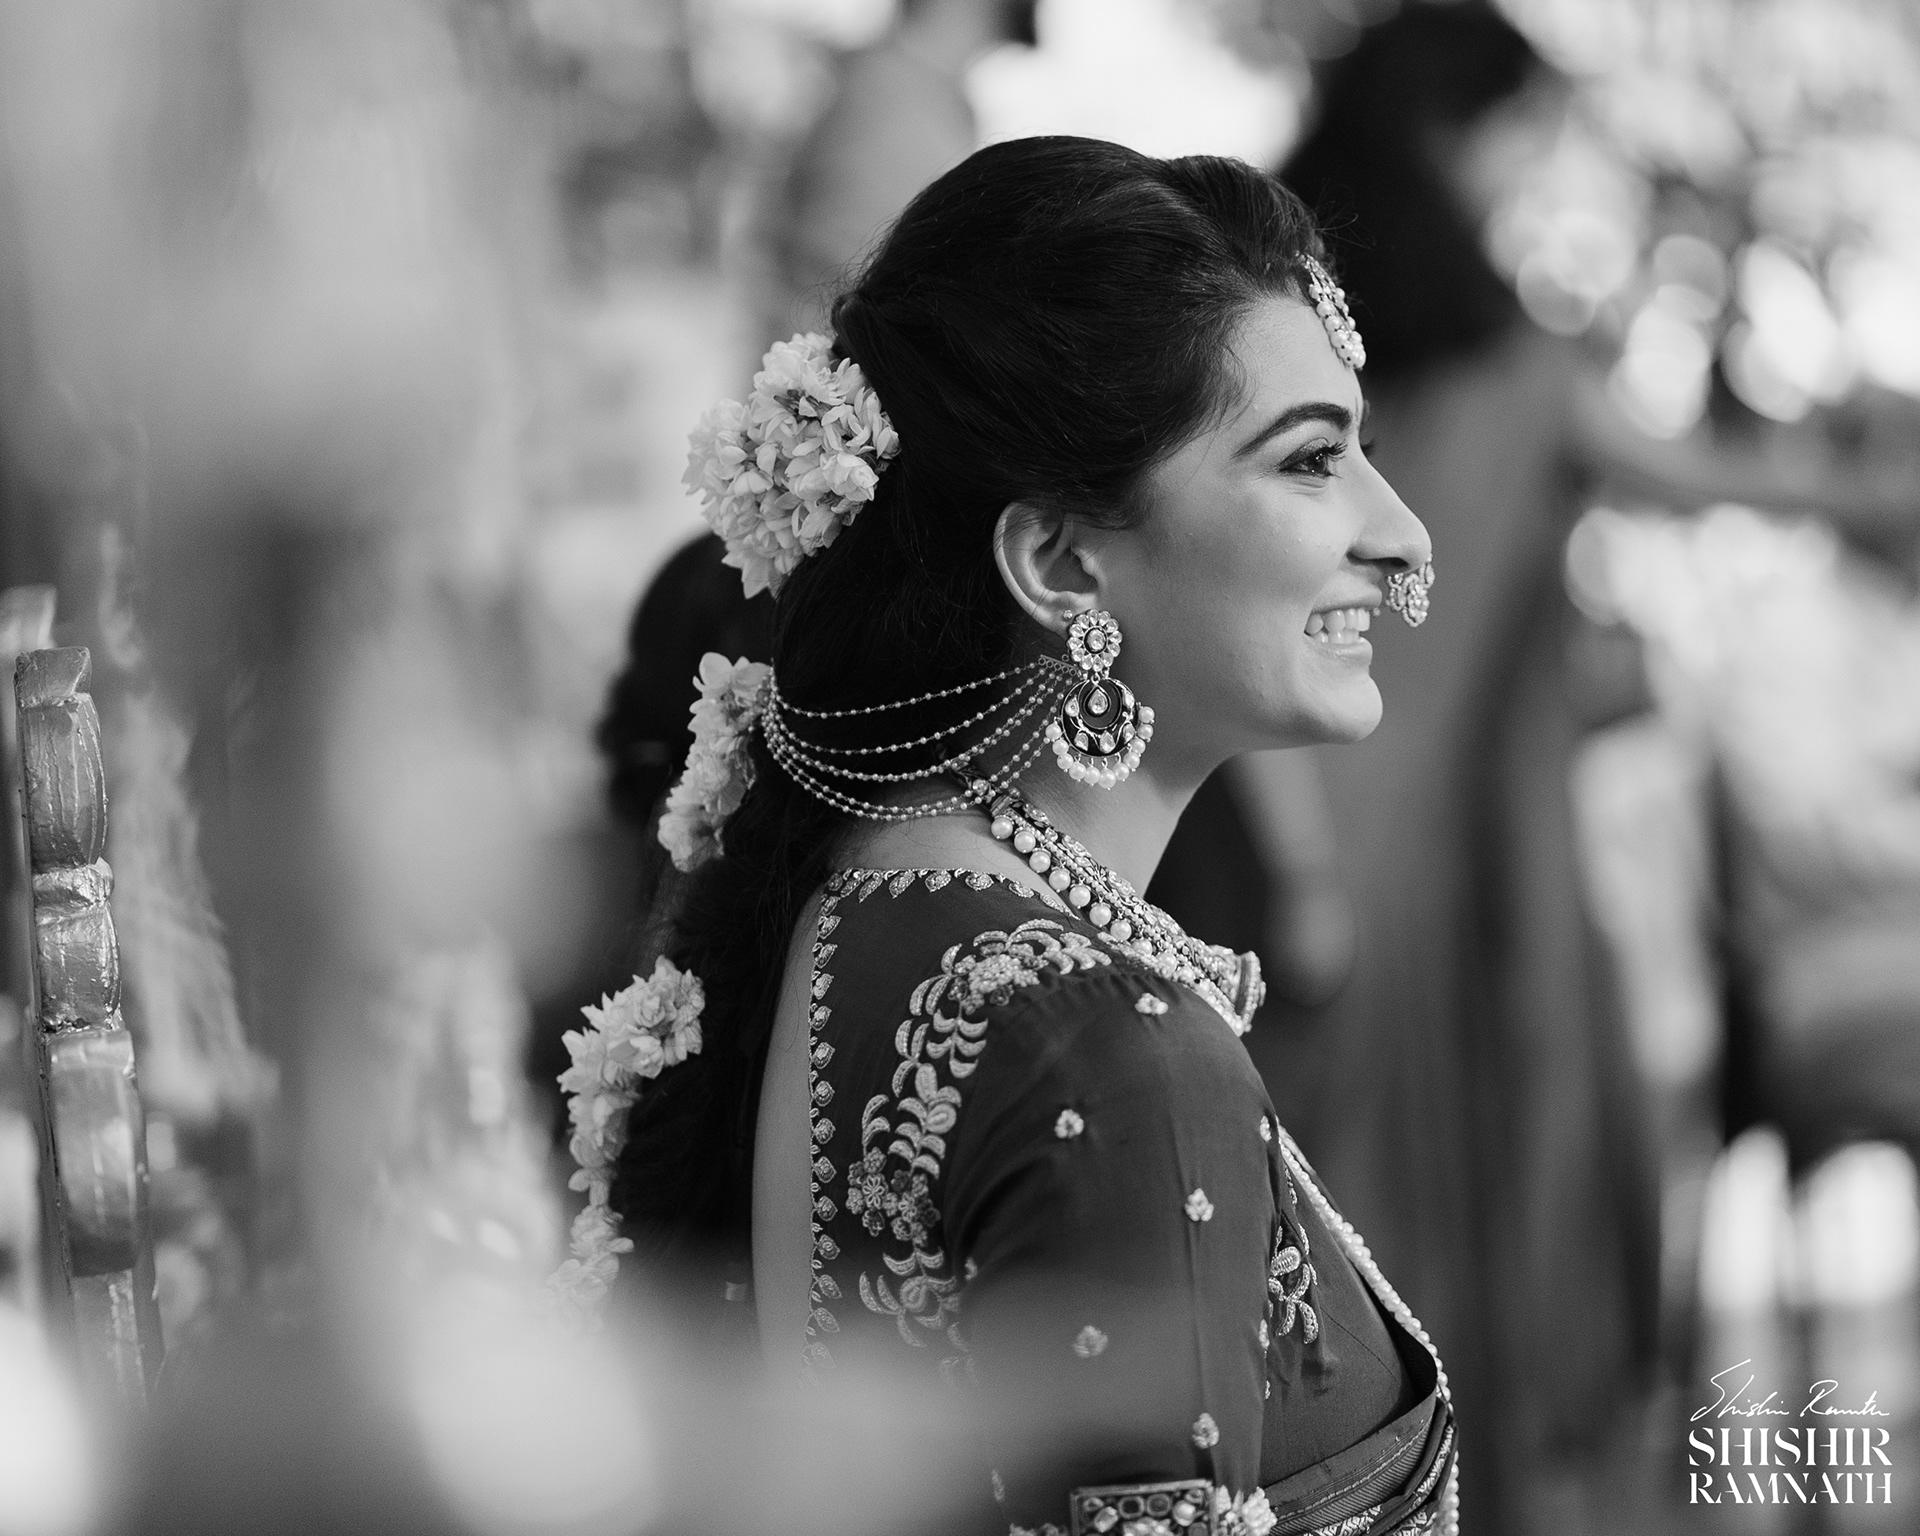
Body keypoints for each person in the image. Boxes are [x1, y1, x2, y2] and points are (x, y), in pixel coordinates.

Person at [577, 137, 1456, 1534]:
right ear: (1058, 562)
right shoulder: (1109, 1040)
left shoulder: (862, 894)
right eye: (1310, 462)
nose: (1401, 538)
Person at [1145, 8, 1658, 1529]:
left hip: (1278, 823)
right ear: (1457, 128)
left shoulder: (1261, 348)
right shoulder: (1509, 370)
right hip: (1397, 845)